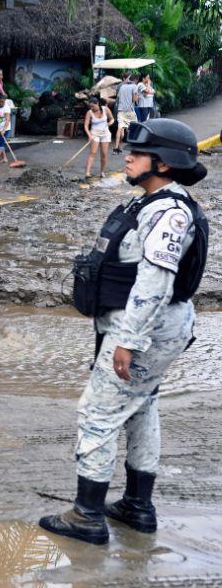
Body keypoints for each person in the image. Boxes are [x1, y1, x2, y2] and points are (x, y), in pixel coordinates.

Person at [40, 119, 209, 545]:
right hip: (149, 326)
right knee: (141, 407)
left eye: (138, 152)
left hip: (146, 329)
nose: (127, 156)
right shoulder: (151, 203)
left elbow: (155, 283)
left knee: (97, 414)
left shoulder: (168, 213)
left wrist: (128, 342)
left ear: (164, 163)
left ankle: (87, 515)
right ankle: (137, 506)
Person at [84, 97, 115, 178]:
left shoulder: (105, 109)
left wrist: (109, 123)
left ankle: (102, 172)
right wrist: (89, 135)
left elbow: (112, 119)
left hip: (105, 133)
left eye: (93, 106)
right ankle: (87, 173)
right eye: (90, 106)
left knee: (104, 154)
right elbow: (86, 126)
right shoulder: (89, 113)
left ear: (97, 104)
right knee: (93, 153)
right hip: (94, 133)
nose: (91, 108)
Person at [113, 72, 139, 154]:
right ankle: (136, 146)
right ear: (135, 80)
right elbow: (134, 99)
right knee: (136, 127)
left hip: (121, 110)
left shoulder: (122, 86)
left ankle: (116, 148)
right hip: (129, 111)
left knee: (120, 129)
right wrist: (137, 95)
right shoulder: (134, 86)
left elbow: (118, 97)